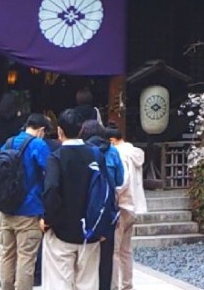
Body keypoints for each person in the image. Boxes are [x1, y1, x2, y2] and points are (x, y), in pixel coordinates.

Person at [41, 107, 102, 290]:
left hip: (62, 229)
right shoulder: (96, 154)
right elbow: (107, 189)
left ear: (60, 131)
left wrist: (48, 220)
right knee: (88, 283)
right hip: (91, 229)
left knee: (58, 282)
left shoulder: (57, 157)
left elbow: (51, 189)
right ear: (82, 129)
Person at [0, 113, 51, 290]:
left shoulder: (8, 142)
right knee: (26, 258)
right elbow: (49, 175)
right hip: (29, 209)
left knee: (7, 255)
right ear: (42, 130)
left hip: (7, 208)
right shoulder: (38, 145)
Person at [80, 119, 124, 290]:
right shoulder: (112, 152)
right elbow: (120, 179)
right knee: (106, 257)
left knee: (86, 257)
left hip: (87, 208)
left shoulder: (83, 152)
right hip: (108, 210)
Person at [106, 123, 146, 290]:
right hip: (134, 206)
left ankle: (114, 286)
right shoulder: (134, 152)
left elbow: (122, 181)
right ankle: (127, 284)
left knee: (114, 252)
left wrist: (113, 198)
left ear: (112, 140)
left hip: (121, 205)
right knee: (126, 250)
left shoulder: (119, 153)